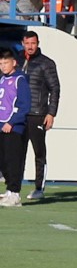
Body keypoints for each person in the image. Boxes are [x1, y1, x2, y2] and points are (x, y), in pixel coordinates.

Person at [18, 31, 60, 201]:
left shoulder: (46, 63)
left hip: (38, 114)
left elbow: (55, 89)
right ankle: (14, 188)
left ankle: (38, 188)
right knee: (16, 152)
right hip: (19, 115)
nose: (30, 46)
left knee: (39, 152)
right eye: (27, 43)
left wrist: (51, 113)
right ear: (22, 43)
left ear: (38, 43)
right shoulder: (16, 61)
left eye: (33, 43)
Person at [0, 49, 32, 208]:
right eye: (0, 63)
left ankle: (15, 193)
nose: (3, 66)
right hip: (1, 125)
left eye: (6, 62)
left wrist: (12, 122)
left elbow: (24, 105)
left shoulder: (20, 80)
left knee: (13, 160)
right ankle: (9, 190)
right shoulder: (2, 79)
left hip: (13, 128)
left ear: (14, 63)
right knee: (3, 160)